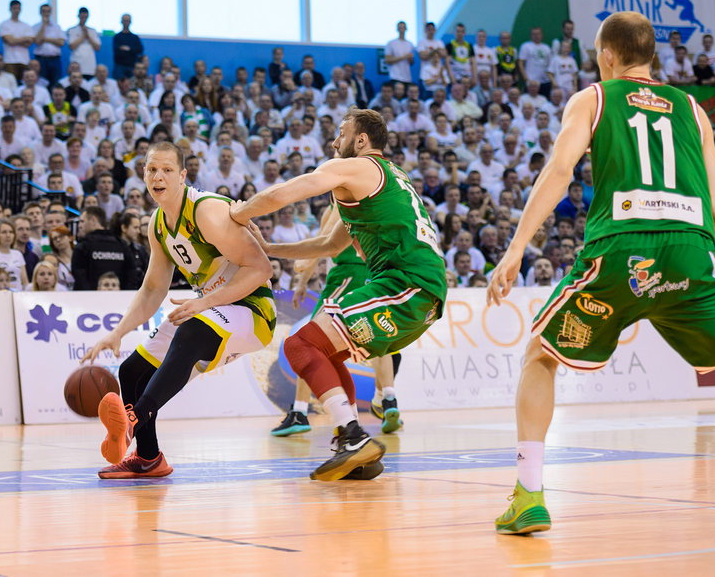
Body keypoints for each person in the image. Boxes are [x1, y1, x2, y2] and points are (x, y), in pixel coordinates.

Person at [486, 11, 715, 535]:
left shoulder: (593, 98)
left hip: (622, 250)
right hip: (693, 254)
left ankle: (529, 497)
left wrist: (516, 247)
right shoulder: (693, 110)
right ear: (651, 55)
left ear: (607, 56)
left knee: (541, 354)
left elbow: (560, 172)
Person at [231, 108, 447, 481]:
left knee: (299, 346)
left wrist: (238, 213)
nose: (334, 142)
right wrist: (269, 248)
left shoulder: (359, 167)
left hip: (408, 283)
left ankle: (353, 436)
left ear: (361, 141)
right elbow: (330, 245)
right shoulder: (386, 178)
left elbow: (285, 192)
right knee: (324, 353)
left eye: (341, 133)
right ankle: (357, 449)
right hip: (419, 292)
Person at [79, 141, 275, 479]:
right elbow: (154, 288)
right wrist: (117, 332)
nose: (158, 176)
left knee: (190, 328)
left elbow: (261, 268)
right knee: (131, 371)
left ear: (183, 176)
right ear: (143, 174)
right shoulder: (158, 224)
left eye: (167, 170)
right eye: (152, 169)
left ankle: (133, 420)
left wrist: (205, 301)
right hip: (212, 311)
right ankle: (149, 457)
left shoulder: (206, 211)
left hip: (252, 311)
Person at [265, 204, 405, 442]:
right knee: (378, 341)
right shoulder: (374, 202)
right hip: (376, 275)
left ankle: (299, 412)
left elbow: (321, 243)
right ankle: (387, 398)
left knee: (308, 342)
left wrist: (301, 281)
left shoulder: (339, 205)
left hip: (348, 275)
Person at [71, 206, 140, 290]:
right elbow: (132, 276)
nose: (80, 225)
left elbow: (79, 277)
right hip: (120, 299)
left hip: (89, 300)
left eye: (82, 221)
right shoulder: (122, 245)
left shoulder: (83, 246)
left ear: (93, 220)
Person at [0, 219, 28, 291]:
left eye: (11, 232)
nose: (8, 235)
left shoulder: (18, 254)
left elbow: (25, 282)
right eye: (4, 232)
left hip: (18, 294)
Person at [32, 3, 67, 86]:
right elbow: (38, 41)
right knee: (42, 83)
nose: (46, 14)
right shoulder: (36, 27)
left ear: (51, 13)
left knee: (55, 82)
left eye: (48, 11)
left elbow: (61, 42)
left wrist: (46, 39)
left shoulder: (57, 27)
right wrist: (43, 25)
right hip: (41, 59)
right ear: (40, 13)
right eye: (44, 11)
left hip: (55, 59)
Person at [113, 14, 143, 80]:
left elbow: (139, 49)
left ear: (130, 22)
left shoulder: (135, 37)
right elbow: (116, 51)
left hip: (132, 66)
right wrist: (131, 50)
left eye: (127, 20)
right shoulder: (117, 37)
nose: (126, 22)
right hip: (119, 66)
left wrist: (129, 49)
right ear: (121, 21)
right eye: (124, 20)